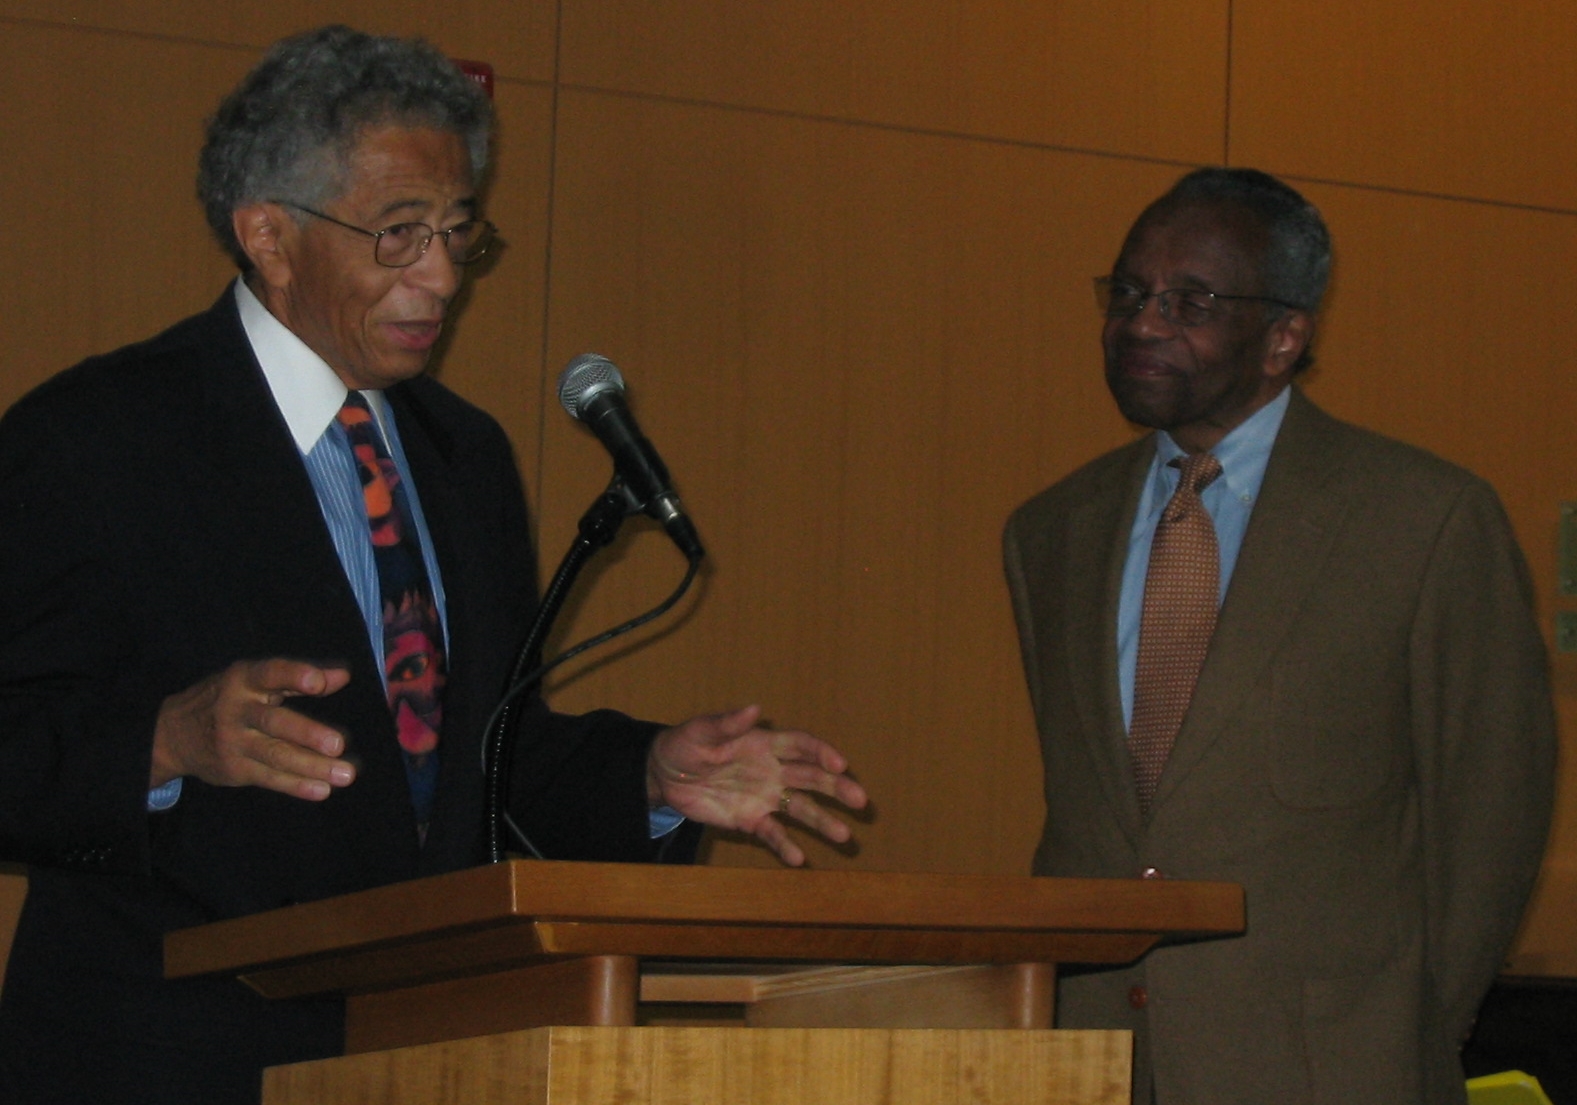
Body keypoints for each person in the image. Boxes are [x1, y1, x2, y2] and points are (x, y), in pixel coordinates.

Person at [0, 25, 866, 1104]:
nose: (443, 277)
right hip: (160, 1059)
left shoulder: (462, 457)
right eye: (400, 235)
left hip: (417, 1053)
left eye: (460, 233)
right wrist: (164, 741)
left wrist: (646, 777)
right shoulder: (97, 438)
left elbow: (477, 762)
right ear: (268, 234)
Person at [1002, 167, 1555, 1105]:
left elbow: (1491, 805)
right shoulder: (1049, 531)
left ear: (1283, 337)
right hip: (1089, 1055)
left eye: (1191, 300)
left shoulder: (1423, 519)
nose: (1141, 322)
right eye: (1128, 293)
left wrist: (1416, 1021)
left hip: (1330, 1061)